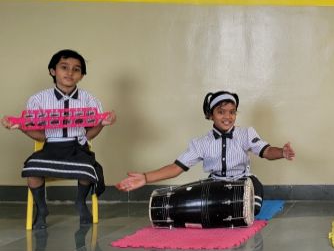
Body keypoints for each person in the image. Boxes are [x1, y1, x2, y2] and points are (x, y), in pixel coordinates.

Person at [115, 91, 294, 216]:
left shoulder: (246, 134)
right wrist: (145, 178)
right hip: (216, 184)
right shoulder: (200, 143)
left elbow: (266, 151)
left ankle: (230, 207)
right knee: (199, 209)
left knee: (251, 208)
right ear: (210, 115)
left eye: (232, 112)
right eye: (221, 112)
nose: (227, 117)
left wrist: (282, 152)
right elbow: (176, 168)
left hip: (244, 180)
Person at [1, 49, 116, 228]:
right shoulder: (38, 99)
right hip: (50, 148)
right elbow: (41, 135)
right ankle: (41, 209)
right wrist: (21, 127)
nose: (70, 72)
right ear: (52, 71)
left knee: (87, 168)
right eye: (64, 67)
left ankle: (80, 202)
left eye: (76, 69)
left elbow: (88, 135)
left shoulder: (89, 100)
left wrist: (102, 123)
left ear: (81, 76)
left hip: (77, 148)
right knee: (32, 169)